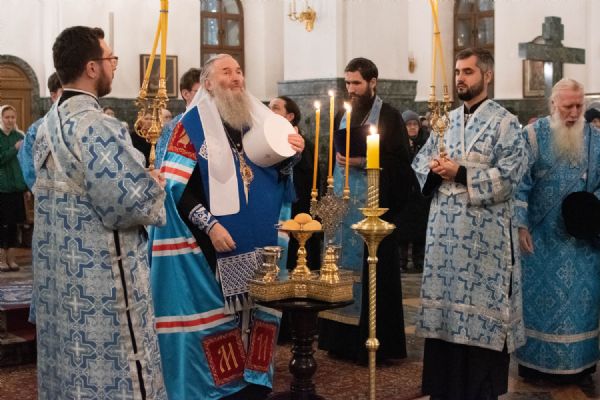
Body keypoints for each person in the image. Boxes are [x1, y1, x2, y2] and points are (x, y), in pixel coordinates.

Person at [149, 54, 304, 400]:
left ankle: (253, 385)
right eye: (226, 72)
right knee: (222, 321)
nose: (235, 77)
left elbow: (276, 178)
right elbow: (176, 190)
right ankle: (220, 390)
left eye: (238, 71)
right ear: (207, 84)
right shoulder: (188, 127)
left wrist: (292, 153)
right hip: (212, 245)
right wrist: (211, 227)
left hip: (259, 243)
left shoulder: (257, 122)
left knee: (255, 315)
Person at [31, 26, 167, 398]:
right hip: (100, 280)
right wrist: (153, 184)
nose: (114, 66)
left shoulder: (46, 125)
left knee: (68, 369)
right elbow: (132, 203)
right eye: (110, 59)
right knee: (114, 373)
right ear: (92, 68)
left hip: (61, 275)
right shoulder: (97, 127)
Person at [412, 47, 528, 400]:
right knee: (445, 322)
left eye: (468, 72)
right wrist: (434, 170)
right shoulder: (444, 122)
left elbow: (510, 176)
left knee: (484, 320)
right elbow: (421, 162)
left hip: (485, 244)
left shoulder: (507, 123)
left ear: (487, 76)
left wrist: (459, 172)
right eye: (458, 72)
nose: (460, 78)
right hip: (444, 244)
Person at [318, 57, 411, 364]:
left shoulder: (390, 116)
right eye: (347, 83)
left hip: (372, 210)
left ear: (373, 83)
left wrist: (365, 162)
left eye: (356, 83)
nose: (351, 89)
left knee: (373, 275)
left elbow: (402, 166)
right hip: (341, 209)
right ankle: (338, 341)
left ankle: (370, 344)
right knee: (335, 264)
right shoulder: (342, 115)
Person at [515, 78, 600, 385]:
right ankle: (536, 365)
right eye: (567, 107)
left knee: (581, 306)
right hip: (540, 240)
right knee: (539, 305)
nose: (574, 113)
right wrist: (520, 224)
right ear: (553, 105)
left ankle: (580, 366)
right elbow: (519, 183)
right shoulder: (532, 136)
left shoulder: (596, 139)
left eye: (579, 106)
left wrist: (591, 210)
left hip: (582, 242)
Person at [268, 95, 321, 271]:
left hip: (298, 208)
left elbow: (309, 181)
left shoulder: (305, 145)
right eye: (269, 107)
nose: (269, 111)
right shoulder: (267, 141)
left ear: (290, 116)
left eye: (275, 108)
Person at [397, 109, 430, 273]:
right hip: (404, 192)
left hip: (421, 194)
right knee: (402, 230)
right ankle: (401, 261)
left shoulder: (426, 142)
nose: (412, 127)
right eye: (408, 124)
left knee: (420, 230)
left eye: (414, 124)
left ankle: (419, 261)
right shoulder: (399, 143)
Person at [18, 72, 63, 190]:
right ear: (54, 96)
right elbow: (27, 164)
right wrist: (40, 192)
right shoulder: (37, 129)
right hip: (49, 194)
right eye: (64, 93)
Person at [154, 67, 201, 168]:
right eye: (201, 92)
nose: (208, 97)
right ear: (186, 94)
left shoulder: (218, 124)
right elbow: (161, 165)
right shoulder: (171, 127)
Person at [0, 105, 27, 271]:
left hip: (16, 188)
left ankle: (11, 259)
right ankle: (1, 260)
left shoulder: (20, 136)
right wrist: (14, 149)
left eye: (12, 117)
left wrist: (26, 186)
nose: (10, 120)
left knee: (14, 225)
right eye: (7, 117)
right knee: (1, 225)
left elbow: (25, 162)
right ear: (1, 118)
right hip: (1, 188)